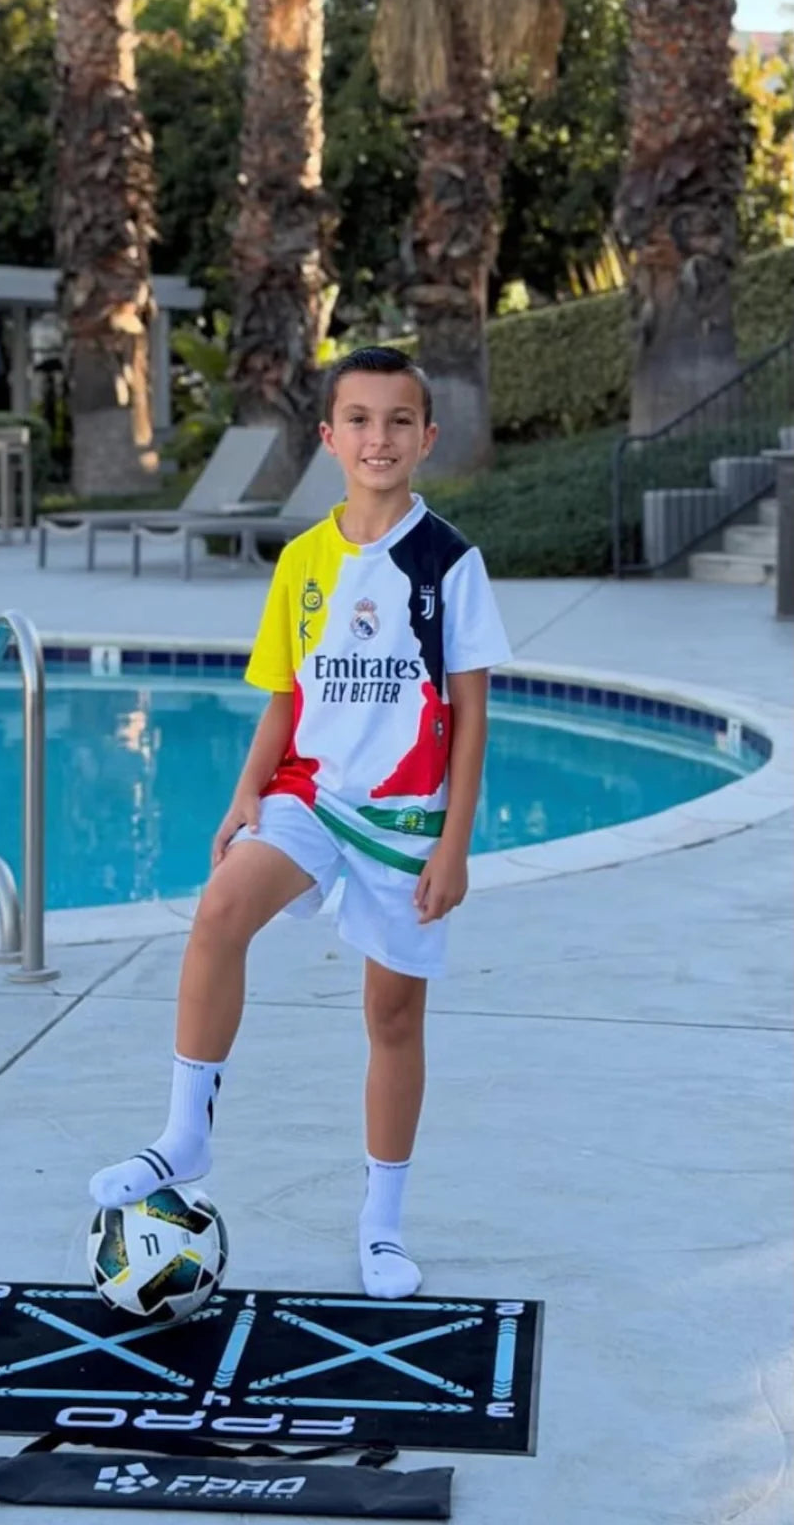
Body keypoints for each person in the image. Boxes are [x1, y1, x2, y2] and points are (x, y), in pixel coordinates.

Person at [90, 346, 512, 1298]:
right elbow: (284, 694)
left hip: (405, 818)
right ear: (329, 437)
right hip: (308, 795)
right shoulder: (301, 562)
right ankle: (184, 1135)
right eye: (358, 419)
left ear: (426, 438)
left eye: (398, 420)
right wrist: (246, 792)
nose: (378, 437)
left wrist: (454, 844)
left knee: (391, 1015)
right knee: (218, 910)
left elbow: (472, 713)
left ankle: (381, 1226)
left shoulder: (450, 563)